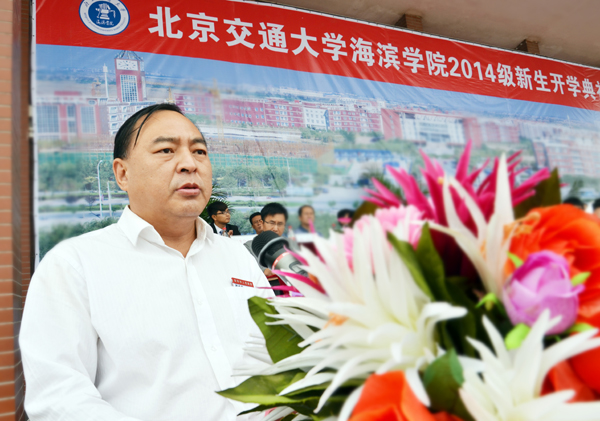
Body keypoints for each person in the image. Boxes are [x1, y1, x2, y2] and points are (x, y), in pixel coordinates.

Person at [20, 104, 270, 420]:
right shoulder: (74, 265)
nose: (189, 164)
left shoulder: (237, 257)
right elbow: (59, 398)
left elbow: (276, 356)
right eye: (166, 150)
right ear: (122, 174)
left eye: (199, 151)